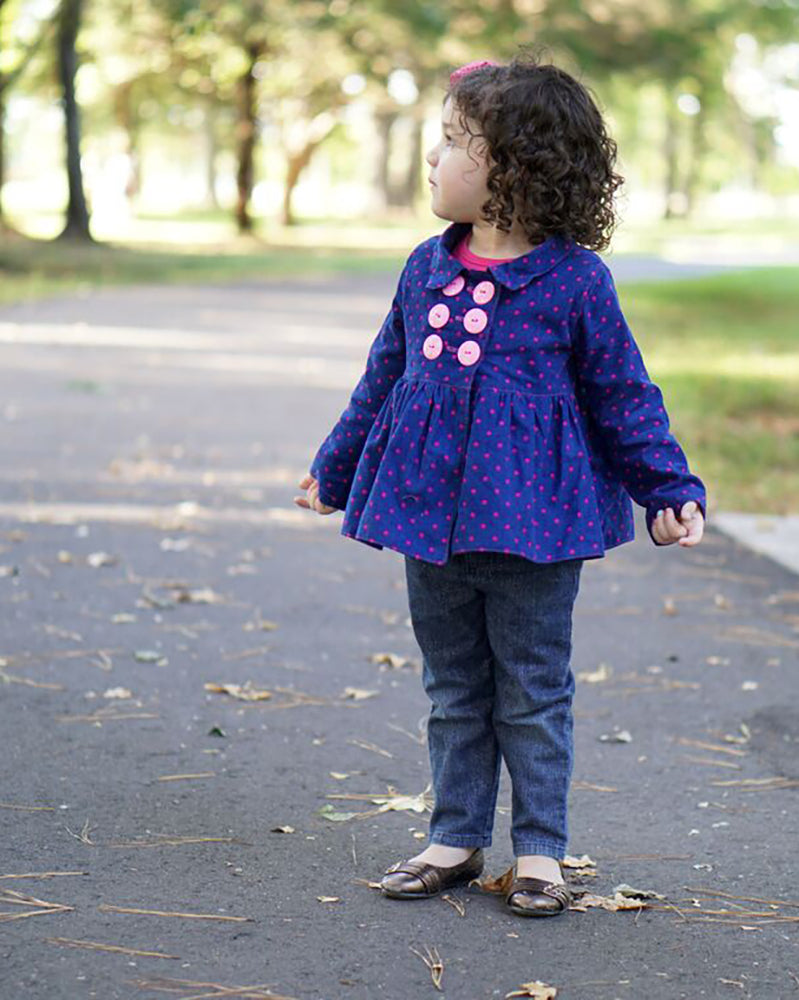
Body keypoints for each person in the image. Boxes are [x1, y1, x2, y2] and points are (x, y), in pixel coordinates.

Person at [295, 52, 706, 918]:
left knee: (531, 691)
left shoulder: (574, 281)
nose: (432, 157)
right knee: (453, 689)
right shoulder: (424, 266)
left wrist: (666, 489)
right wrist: (335, 467)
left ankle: (540, 851)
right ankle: (454, 837)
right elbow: (383, 375)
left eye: (453, 142)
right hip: (426, 517)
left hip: (534, 527)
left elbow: (623, 394)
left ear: (514, 169)